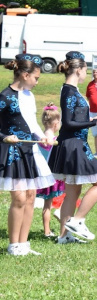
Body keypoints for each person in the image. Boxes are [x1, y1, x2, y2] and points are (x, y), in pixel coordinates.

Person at [49, 51, 97, 243]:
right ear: (78, 70)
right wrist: (91, 123)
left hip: (76, 144)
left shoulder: (72, 90)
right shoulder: (69, 91)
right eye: (86, 70)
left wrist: (87, 121)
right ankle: (78, 220)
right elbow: (67, 123)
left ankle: (63, 237)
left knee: (73, 192)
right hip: (74, 146)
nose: (87, 74)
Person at [1, 54, 55, 255]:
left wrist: (44, 137)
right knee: (19, 198)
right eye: (36, 78)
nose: (37, 82)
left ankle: (23, 244)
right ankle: (13, 245)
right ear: (25, 75)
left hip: (29, 150)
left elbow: (32, 124)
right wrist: (5, 136)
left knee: (31, 196)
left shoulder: (29, 96)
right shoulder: (5, 97)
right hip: (13, 152)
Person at [36, 103, 65, 239]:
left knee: (46, 205)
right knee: (51, 203)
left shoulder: (38, 139)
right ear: (56, 124)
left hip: (41, 175)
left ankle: (47, 231)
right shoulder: (55, 141)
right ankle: (58, 217)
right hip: (53, 176)